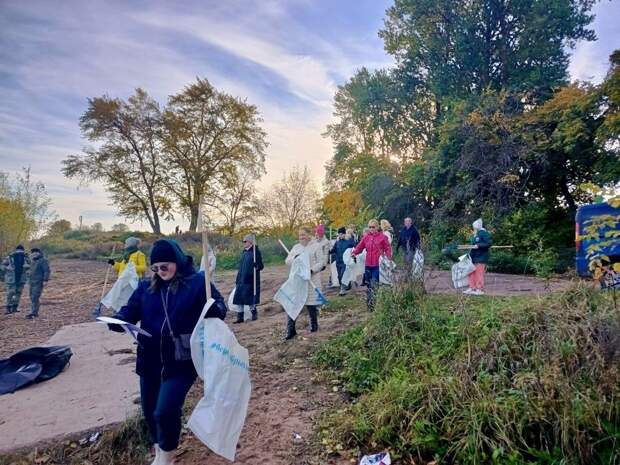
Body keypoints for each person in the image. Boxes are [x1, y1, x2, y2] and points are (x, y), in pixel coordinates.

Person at [108, 239, 227, 465]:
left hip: (182, 362)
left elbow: (221, 308)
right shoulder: (145, 288)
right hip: (149, 361)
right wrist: (117, 321)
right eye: (156, 268)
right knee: (151, 412)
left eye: (165, 267)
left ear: (177, 262)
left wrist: (214, 309)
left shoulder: (198, 283)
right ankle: (159, 453)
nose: (160, 272)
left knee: (166, 410)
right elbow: (129, 312)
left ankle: (167, 456)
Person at [284, 226, 327, 340]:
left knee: (311, 304)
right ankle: (291, 330)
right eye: (300, 235)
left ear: (309, 235)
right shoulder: (296, 247)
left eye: (303, 234)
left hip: (311, 279)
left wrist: (311, 270)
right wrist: (295, 258)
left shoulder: (316, 246)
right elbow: (287, 261)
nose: (301, 237)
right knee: (294, 304)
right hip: (298, 281)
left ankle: (314, 326)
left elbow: (322, 262)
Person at [352, 219, 392, 311]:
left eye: (373, 227)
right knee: (369, 285)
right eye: (369, 227)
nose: (371, 229)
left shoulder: (382, 237)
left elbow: (388, 248)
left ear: (377, 227)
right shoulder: (366, 237)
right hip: (368, 264)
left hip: (377, 265)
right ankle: (370, 303)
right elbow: (360, 247)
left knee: (374, 284)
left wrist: (388, 258)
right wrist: (354, 253)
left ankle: (372, 305)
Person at [232, 234, 264, 323]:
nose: (244, 243)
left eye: (245, 241)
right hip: (241, 278)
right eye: (243, 241)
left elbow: (261, 266)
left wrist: (256, 266)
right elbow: (241, 267)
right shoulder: (244, 252)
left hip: (250, 279)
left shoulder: (255, 252)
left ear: (250, 242)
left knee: (250, 298)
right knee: (239, 298)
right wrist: (238, 278)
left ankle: (254, 314)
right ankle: (240, 317)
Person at [465, 219, 493, 295]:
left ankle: (479, 289)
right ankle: (472, 287)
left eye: (475, 226)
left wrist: (479, 245)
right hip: (473, 257)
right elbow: (473, 245)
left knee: (478, 273)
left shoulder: (484, 233)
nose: (474, 227)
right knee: (471, 272)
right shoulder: (476, 234)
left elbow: (489, 243)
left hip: (481, 257)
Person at [1, 245, 30, 314]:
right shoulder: (10, 257)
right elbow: (2, 266)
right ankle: (8, 308)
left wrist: (27, 267)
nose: (20, 251)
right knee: (11, 293)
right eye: (18, 250)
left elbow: (31, 265)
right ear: (16, 250)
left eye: (21, 250)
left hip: (21, 278)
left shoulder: (26, 258)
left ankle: (14, 307)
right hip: (11, 278)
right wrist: (7, 268)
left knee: (18, 293)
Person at [26, 248, 50, 319]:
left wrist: (45, 280)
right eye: (33, 253)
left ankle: (34, 313)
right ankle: (33, 312)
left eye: (36, 252)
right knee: (31, 297)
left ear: (39, 253)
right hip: (31, 282)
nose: (34, 254)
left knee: (35, 297)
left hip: (38, 282)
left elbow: (46, 270)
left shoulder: (43, 260)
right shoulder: (33, 261)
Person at [330, 227, 355, 295]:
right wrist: (329, 251)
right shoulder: (337, 242)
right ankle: (347, 285)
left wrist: (353, 255)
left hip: (345, 262)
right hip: (338, 262)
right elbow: (333, 250)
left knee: (343, 275)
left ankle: (343, 290)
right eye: (339, 234)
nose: (340, 235)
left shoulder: (349, 241)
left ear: (344, 234)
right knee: (339, 276)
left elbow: (355, 248)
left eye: (341, 234)